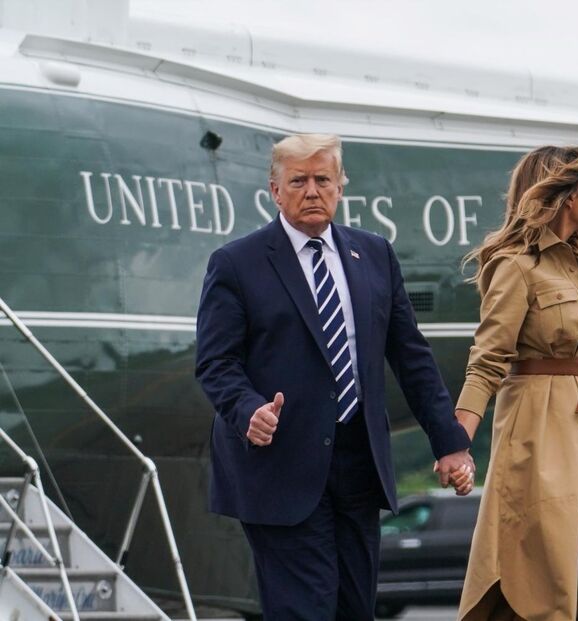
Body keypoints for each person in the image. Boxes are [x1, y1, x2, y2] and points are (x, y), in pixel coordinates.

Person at [194, 133, 474, 619]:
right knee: (305, 609)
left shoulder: (376, 255)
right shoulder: (236, 264)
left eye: (322, 179)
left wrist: (449, 442)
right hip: (278, 464)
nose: (311, 190)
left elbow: (411, 356)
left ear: (340, 186)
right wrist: (247, 411)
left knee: (354, 609)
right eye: (297, 180)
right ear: (274, 191)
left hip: (358, 465)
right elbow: (216, 363)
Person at [454, 145, 578, 620]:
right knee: (547, 583)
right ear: (566, 195)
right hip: (538, 429)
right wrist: (457, 442)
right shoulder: (515, 265)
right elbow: (487, 360)